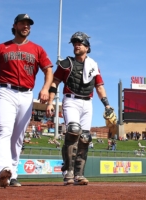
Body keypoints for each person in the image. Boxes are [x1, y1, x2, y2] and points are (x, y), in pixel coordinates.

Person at [0, 13, 53, 188]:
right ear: (14, 26)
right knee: (4, 130)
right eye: (22, 23)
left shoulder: (37, 49)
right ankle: (1, 169)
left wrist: (45, 88)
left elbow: (48, 71)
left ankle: (12, 174)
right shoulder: (1, 47)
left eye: (29, 24)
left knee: (18, 137)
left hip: (27, 94)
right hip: (5, 91)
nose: (26, 26)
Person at [46, 31, 113, 185]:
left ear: (87, 47)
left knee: (85, 138)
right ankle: (68, 171)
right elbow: (55, 82)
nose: (76, 45)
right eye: (75, 43)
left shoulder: (93, 65)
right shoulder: (66, 63)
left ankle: (79, 174)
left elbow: (99, 86)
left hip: (88, 102)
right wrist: (50, 102)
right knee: (73, 131)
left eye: (80, 43)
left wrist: (107, 105)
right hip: (71, 100)